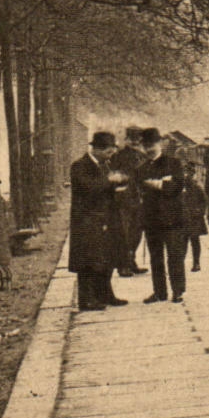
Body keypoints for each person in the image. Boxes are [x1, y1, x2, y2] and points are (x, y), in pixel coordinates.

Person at [68, 131, 129, 312]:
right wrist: (110, 181)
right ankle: (86, 300)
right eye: (109, 152)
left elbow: (110, 184)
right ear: (97, 149)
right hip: (87, 220)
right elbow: (89, 187)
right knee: (88, 260)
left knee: (107, 257)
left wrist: (119, 181)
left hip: (106, 217)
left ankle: (105, 294)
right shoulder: (79, 166)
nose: (111, 156)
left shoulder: (104, 165)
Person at [136, 127, 189, 304]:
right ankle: (159, 292)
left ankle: (178, 291)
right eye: (145, 146)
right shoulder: (141, 168)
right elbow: (140, 190)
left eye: (151, 145)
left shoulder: (173, 163)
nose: (148, 149)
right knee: (155, 257)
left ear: (160, 143)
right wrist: (162, 184)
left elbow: (178, 185)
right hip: (151, 219)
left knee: (175, 256)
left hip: (172, 218)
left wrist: (158, 185)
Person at [110, 127, 147, 275]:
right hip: (123, 199)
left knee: (137, 231)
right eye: (132, 138)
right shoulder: (117, 156)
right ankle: (123, 265)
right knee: (124, 232)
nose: (135, 141)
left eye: (138, 139)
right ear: (127, 139)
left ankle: (131, 260)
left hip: (139, 198)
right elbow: (112, 175)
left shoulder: (142, 156)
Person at [179, 166, 209, 272]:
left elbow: (204, 201)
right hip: (182, 219)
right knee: (182, 243)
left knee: (195, 241)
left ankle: (196, 262)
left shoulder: (197, 188)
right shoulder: (176, 189)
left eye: (188, 175)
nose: (186, 177)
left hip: (195, 219)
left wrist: (200, 211)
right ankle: (180, 263)